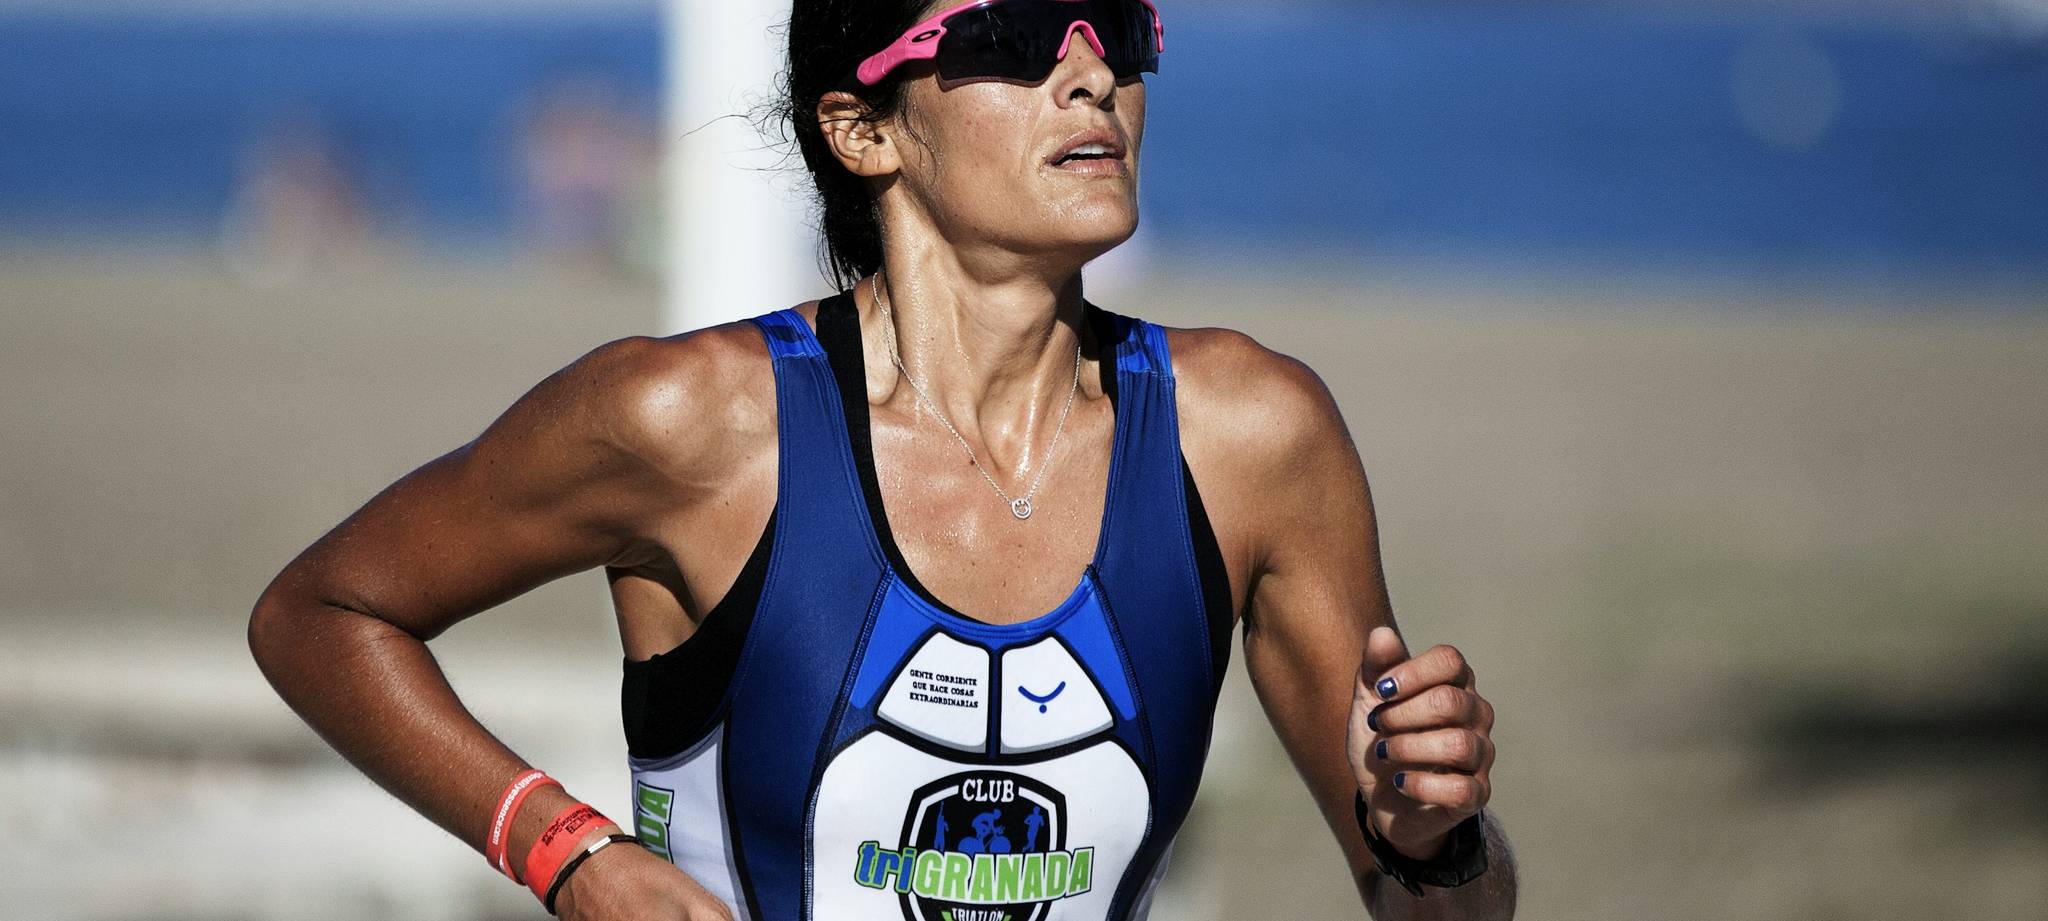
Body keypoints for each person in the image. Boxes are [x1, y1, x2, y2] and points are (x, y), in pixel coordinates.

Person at [246, 1, 1518, 919]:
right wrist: (562, 850)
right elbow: (321, 612)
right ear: (863, 130)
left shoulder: (1247, 435)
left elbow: (1445, 910)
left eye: (1118, 31)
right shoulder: (693, 422)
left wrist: (1435, 842)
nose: (1090, 76)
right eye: (1013, 36)